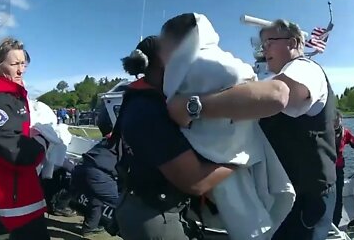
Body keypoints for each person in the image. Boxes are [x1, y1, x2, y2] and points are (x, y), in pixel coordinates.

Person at [167, 19, 337, 240]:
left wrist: (194, 106)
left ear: (293, 43)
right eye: (262, 45)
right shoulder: (270, 77)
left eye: (269, 43)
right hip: (281, 195)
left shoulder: (306, 69)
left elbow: (277, 95)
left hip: (307, 199)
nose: (263, 50)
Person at [114, 35, 236, 240]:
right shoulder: (149, 110)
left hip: (139, 205)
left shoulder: (139, 101)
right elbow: (196, 182)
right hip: (155, 216)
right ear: (162, 64)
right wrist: (240, 161)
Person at [0, 37, 51, 240]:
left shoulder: (12, 94)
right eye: (14, 64)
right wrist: (43, 142)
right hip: (16, 194)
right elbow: (12, 147)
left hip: (15, 187)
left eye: (23, 63)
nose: (21, 69)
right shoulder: (1, 98)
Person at [70, 105, 119, 237]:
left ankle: (89, 228)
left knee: (96, 199)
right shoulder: (124, 141)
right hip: (96, 174)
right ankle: (120, 230)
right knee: (122, 203)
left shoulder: (107, 140)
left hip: (79, 170)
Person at [333, 110, 354, 226]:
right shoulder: (325, 132)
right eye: (334, 119)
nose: (336, 122)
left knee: (338, 197)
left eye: (338, 119)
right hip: (326, 170)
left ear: (341, 120)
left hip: (338, 169)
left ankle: (336, 221)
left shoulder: (345, 133)